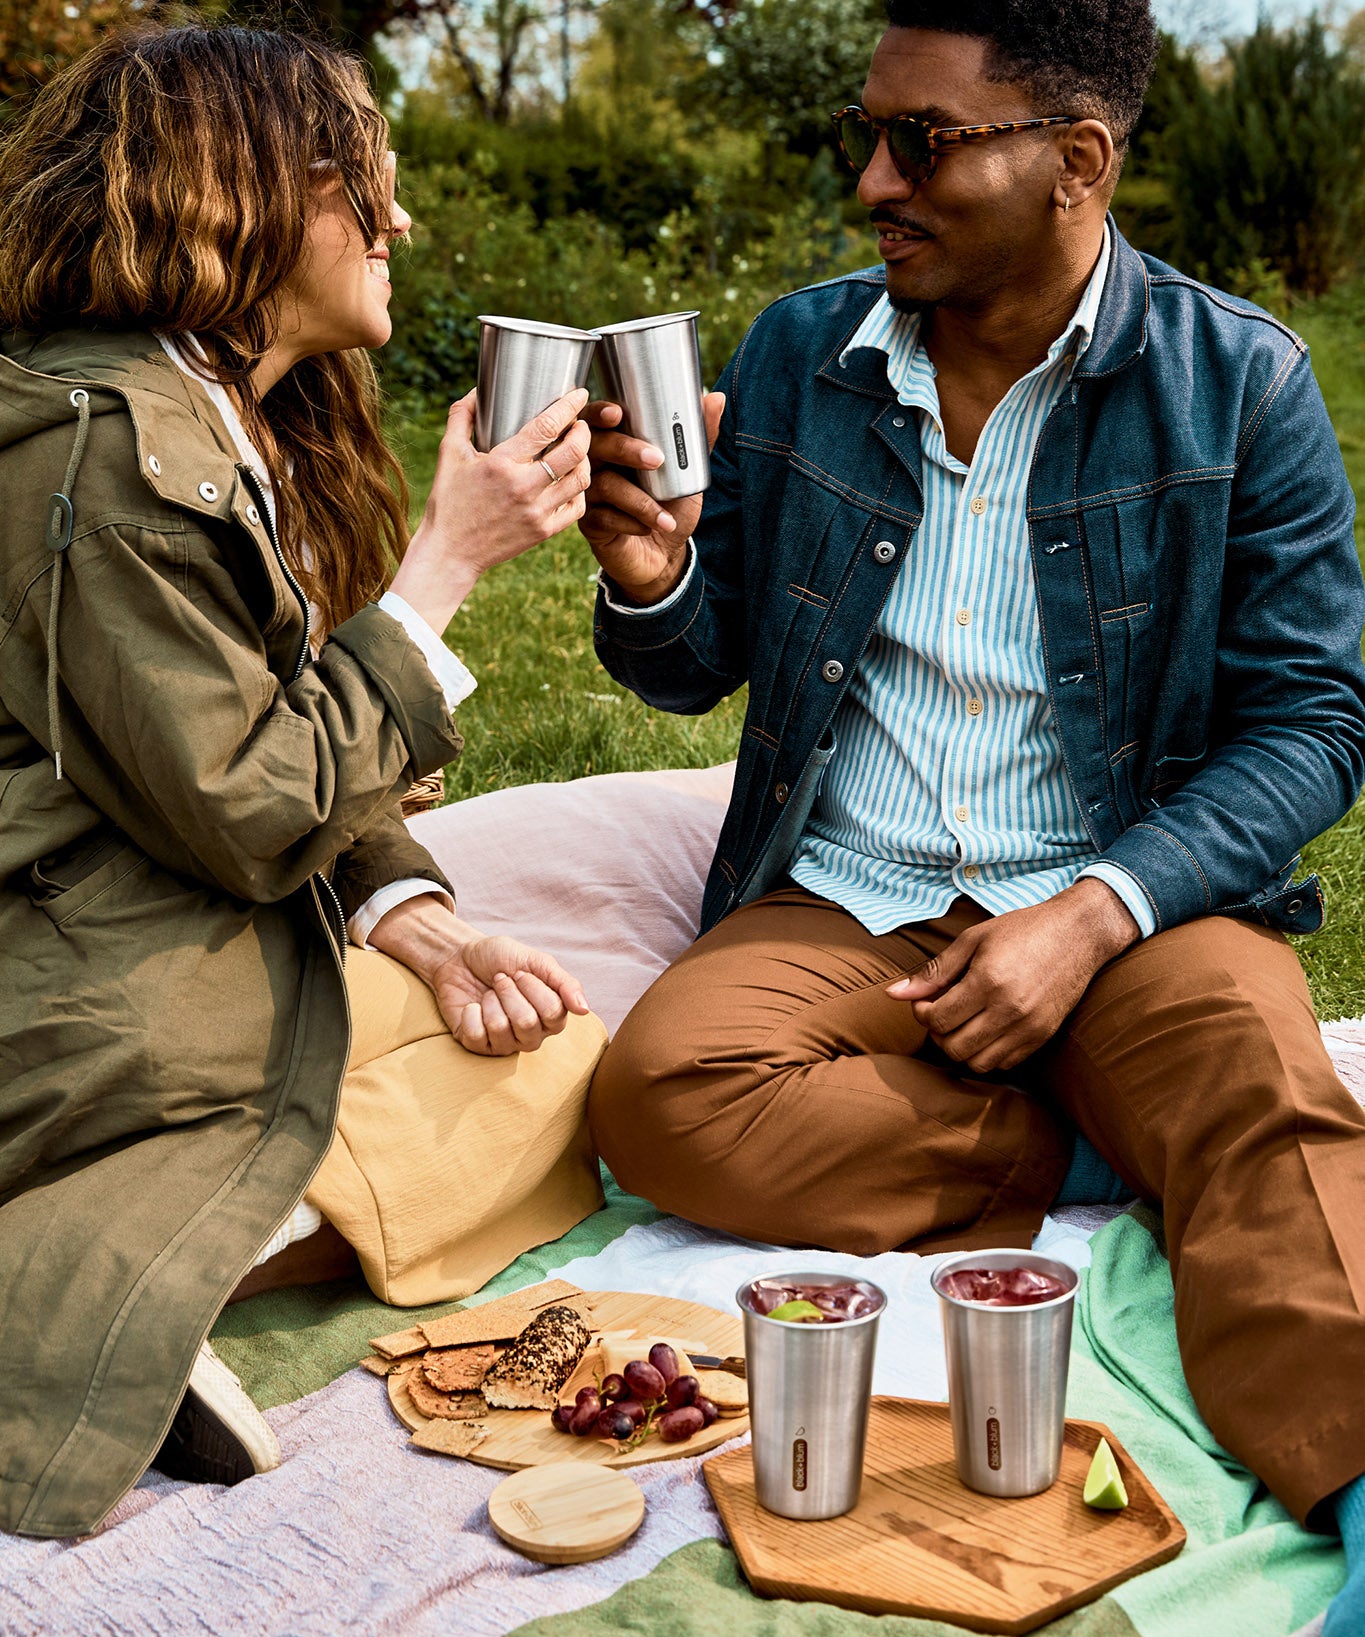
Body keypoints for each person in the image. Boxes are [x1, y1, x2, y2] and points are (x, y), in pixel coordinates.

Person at [582, 2, 1365, 1629]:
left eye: (921, 142)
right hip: (845, 888)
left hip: (1125, 891)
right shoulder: (800, 356)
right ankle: (1087, 1138)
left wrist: (1093, 914)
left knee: (1273, 1122)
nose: (874, 180)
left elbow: (1314, 724)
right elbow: (695, 662)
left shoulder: (1239, 381)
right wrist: (651, 578)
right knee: (659, 1097)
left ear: (1074, 160)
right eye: (867, 136)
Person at [0, 23, 606, 1538]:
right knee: (456, 1089)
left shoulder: (206, 416)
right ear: (248, 199)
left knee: (546, 1053)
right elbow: (249, 797)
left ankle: (148, 1287)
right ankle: (83, 1315)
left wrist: (416, 918)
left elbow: (246, 743)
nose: (398, 219)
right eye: (359, 183)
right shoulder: (101, 458)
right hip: (73, 975)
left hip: (163, 913)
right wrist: (445, 567)